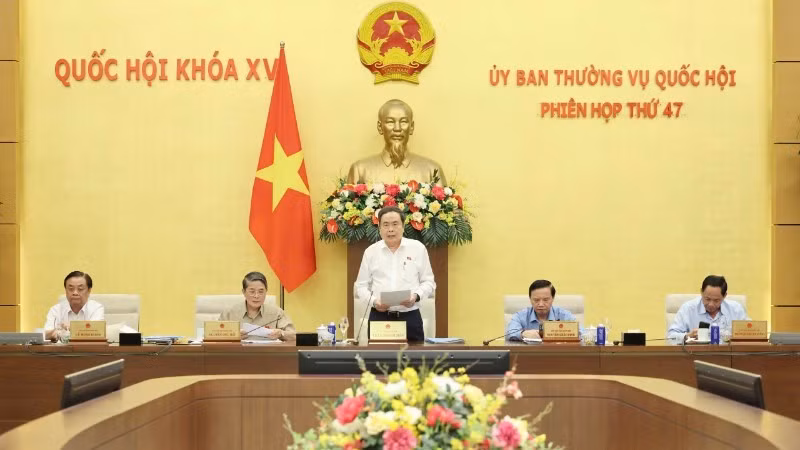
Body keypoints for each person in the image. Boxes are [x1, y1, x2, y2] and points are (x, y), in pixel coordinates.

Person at [354, 206, 435, 342]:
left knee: (414, 362)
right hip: (379, 317)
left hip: (410, 317)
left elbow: (428, 282)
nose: (390, 229)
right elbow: (361, 286)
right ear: (379, 228)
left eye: (395, 224)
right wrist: (374, 302)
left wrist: (416, 297)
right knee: (379, 361)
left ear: (403, 226)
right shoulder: (371, 252)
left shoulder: (417, 248)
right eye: (385, 225)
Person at [346, 99, 448, 185]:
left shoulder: (431, 170)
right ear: (380, 127)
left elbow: (449, 208)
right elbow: (349, 207)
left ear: (411, 127)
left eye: (403, 122)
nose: (397, 128)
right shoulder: (359, 170)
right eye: (390, 122)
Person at [667, 275, 749, 342]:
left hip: (729, 356)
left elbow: (750, 332)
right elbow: (670, 337)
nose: (711, 304)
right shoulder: (688, 309)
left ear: (724, 296)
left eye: (716, 300)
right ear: (701, 292)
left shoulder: (736, 310)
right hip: (697, 356)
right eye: (707, 299)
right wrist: (687, 336)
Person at [218, 272, 296, 341]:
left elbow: (294, 336)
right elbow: (214, 336)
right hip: (238, 355)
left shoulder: (277, 313)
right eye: (252, 291)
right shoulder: (229, 313)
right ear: (244, 292)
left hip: (268, 355)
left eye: (261, 291)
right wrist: (233, 336)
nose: (256, 296)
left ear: (266, 292)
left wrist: (281, 334)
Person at [505, 280, 578, 341]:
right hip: (529, 355)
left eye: (545, 300)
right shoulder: (520, 316)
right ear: (530, 299)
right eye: (536, 300)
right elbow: (510, 333)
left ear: (552, 298)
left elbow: (581, 333)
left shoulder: (564, 315)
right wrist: (522, 333)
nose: (541, 304)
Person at [44, 271, 104, 342]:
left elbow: (96, 332)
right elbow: (46, 334)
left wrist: (71, 327)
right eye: (71, 289)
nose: (75, 293)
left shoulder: (96, 308)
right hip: (61, 352)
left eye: (80, 289)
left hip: (88, 351)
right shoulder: (55, 310)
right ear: (65, 290)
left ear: (89, 291)